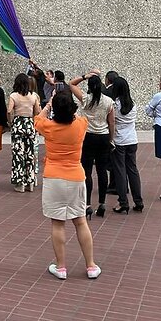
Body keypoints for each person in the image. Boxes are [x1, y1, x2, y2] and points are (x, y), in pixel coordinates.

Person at [34, 79, 101, 280]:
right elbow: (80, 115)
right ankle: (90, 265)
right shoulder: (80, 125)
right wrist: (68, 105)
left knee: (58, 223)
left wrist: (49, 104)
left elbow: (37, 118)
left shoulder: (47, 127)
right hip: (76, 176)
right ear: (72, 109)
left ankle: (61, 266)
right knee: (80, 221)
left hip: (54, 176)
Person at [78, 73, 116, 218]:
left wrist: (85, 76)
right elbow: (112, 122)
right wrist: (111, 139)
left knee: (87, 170)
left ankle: (87, 204)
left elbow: (71, 84)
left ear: (89, 87)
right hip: (103, 136)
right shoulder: (108, 101)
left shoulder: (86, 99)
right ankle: (102, 203)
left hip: (88, 136)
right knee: (101, 170)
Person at [105, 76, 143, 213]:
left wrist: (110, 139)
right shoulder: (133, 105)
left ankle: (123, 202)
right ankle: (138, 201)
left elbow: (111, 122)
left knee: (120, 171)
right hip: (132, 140)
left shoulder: (114, 105)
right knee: (133, 170)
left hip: (119, 141)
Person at [7, 73, 42, 192]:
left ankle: (19, 182)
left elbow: (9, 111)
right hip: (29, 124)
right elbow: (37, 111)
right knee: (29, 154)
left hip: (18, 123)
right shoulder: (33, 96)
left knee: (18, 154)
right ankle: (30, 182)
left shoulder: (13, 95)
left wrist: (10, 122)